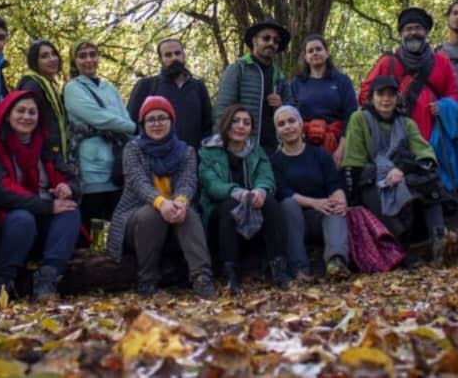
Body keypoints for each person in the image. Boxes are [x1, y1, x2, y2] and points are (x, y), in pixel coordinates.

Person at [106, 96, 217, 299]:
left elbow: (188, 181)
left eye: (162, 118)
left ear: (171, 121)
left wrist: (181, 203)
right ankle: (147, 280)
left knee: (190, 214)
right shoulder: (133, 149)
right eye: (151, 119)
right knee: (152, 213)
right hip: (136, 218)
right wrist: (162, 203)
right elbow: (138, 183)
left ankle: (202, 278)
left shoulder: (186, 151)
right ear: (143, 124)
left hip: (174, 217)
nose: (156, 123)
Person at [343, 76, 455, 268]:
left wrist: (401, 170)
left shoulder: (406, 123)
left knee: (430, 184)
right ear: (372, 97)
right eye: (380, 94)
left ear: (397, 98)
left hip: (402, 171)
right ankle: (404, 253)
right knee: (382, 191)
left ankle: (439, 239)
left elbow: (425, 153)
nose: (386, 99)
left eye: (391, 95)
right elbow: (354, 161)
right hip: (371, 177)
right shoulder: (359, 118)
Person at [0, 90, 82, 301]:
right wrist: (46, 206)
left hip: (44, 220)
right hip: (7, 223)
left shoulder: (45, 146)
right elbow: (1, 191)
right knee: (23, 218)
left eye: (32, 112)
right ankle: (2, 282)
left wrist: (68, 188)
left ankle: (48, 277)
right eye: (20, 111)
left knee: (70, 211)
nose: (26, 117)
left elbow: (72, 179)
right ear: (8, 115)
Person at [199, 105, 291, 293]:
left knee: (271, 202)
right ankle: (230, 274)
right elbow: (211, 185)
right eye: (235, 121)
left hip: (254, 215)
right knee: (230, 205)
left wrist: (261, 191)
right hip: (220, 220)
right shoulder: (208, 152)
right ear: (226, 124)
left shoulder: (256, 152)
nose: (240, 126)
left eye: (246, 123)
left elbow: (267, 178)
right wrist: (238, 193)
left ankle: (279, 268)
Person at [358, 8, 458, 145]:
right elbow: (365, 93)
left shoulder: (442, 63)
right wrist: (386, 110)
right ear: (401, 34)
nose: (413, 32)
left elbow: (454, 95)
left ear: (426, 32)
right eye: (408, 29)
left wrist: (443, 106)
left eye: (418, 28)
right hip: (393, 137)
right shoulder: (388, 62)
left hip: (435, 136)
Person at [270, 105, 350, 280]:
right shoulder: (274, 162)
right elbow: (283, 192)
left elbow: (334, 183)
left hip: (320, 218)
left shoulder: (320, 155)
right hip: (292, 221)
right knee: (288, 204)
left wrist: (339, 197)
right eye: (281, 124)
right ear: (277, 131)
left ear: (301, 125)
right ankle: (299, 269)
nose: (288, 126)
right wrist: (313, 202)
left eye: (291, 121)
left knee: (335, 207)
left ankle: (336, 262)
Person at [63, 40, 135, 224]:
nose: (89, 60)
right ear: (74, 61)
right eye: (82, 56)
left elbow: (123, 115)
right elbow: (99, 118)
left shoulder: (109, 88)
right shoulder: (73, 88)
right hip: (90, 169)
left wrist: (127, 126)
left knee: (117, 225)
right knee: (95, 225)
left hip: (117, 167)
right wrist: (134, 127)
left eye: (92, 54)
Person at [213, 18, 291, 157]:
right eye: (266, 38)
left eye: (276, 40)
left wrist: (281, 105)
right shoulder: (238, 69)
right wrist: (220, 145)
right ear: (255, 40)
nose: (271, 43)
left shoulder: (279, 76)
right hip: (241, 147)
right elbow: (222, 110)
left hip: (272, 149)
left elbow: (291, 109)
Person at [126, 38, 214, 151]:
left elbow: (208, 125)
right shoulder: (147, 86)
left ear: (184, 55)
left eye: (177, 53)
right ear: (160, 59)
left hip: (194, 159)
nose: (174, 58)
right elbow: (132, 126)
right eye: (168, 55)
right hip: (155, 161)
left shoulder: (198, 87)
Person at [287, 34, 358, 165]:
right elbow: (290, 114)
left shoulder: (342, 81)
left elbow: (351, 115)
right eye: (310, 51)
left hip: (335, 141)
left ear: (327, 53)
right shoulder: (297, 83)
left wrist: (341, 149)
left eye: (319, 49)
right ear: (305, 57)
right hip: (304, 142)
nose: (315, 53)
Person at [16, 41, 69, 160]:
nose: (52, 59)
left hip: (53, 152)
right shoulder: (32, 86)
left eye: (53, 54)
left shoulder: (50, 85)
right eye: (44, 56)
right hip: (41, 156)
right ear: (35, 62)